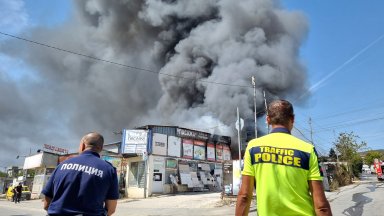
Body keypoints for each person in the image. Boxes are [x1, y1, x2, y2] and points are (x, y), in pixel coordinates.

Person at [236, 100, 332, 216]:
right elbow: (321, 206)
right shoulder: (307, 150)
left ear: (268, 120)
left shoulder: (253, 147)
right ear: (292, 119)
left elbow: (244, 196)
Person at [42, 132, 119, 216]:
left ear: (83, 145)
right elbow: (111, 209)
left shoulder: (62, 165)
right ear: (101, 148)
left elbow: (46, 204)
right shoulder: (109, 169)